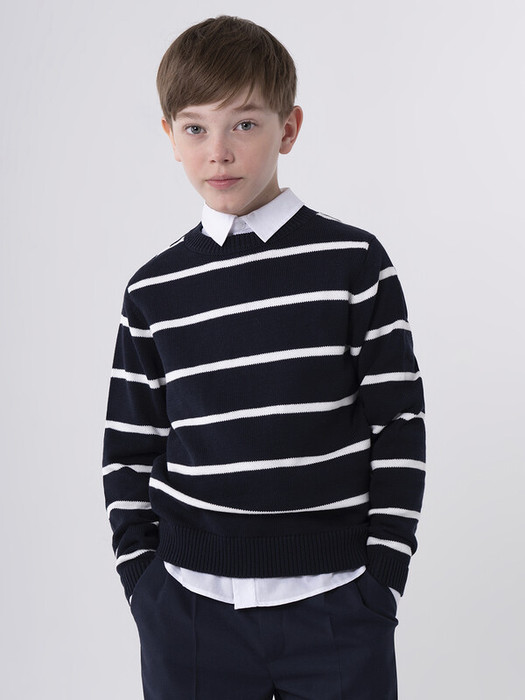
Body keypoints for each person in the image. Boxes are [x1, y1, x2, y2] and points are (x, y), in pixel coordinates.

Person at [102, 15, 426, 700]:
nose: (218, 152)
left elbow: (398, 425)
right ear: (170, 137)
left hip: (337, 605)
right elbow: (129, 448)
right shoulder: (153, 289)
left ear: (289, 128)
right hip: (189, 612)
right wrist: (143, 585)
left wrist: (382, 579)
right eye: (195, 128)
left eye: (244, 124)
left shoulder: (352, 263)